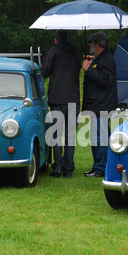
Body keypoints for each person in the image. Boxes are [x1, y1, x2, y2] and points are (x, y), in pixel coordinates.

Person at [41, 29, 81, 178]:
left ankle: (58, 167)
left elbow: (44, 71)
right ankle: (69, 169)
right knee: (70, 137)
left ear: (56, 40)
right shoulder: (75, 54)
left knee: (56, 135)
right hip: (74, 101)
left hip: (58, 100)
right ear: (68, 39)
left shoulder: (54, 52)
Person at [82, 32, 118, 178]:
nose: (90, 47)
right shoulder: (102, 58)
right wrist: (92, 63)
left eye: (91, 44)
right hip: (98, 105)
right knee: (96, 136)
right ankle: (98, 166)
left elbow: (105, 80)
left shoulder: (107, 59)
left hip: (102, 105)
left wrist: (89, 69)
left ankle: (102, 167)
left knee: (101, 137)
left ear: (97, 44)